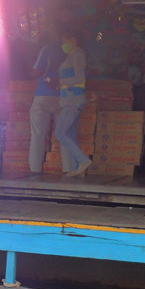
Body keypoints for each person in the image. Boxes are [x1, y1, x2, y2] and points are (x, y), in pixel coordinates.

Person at [52, 30, 91, 178]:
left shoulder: (78, 54)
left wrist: (60, 82)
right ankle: (77, 169)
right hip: (72, 100)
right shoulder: (73, 55)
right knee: (71, 134)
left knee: (60, 132)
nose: (63, 44)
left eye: (65, 40)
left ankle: (83, 160)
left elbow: (79, 77)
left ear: (73, 39)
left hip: (73, 101)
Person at [28, 31, 62, 174]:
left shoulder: (48, 49)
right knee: (64, 134)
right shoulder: (74, 52)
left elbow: (36, 72)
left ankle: (35, 170)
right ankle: (67, 169)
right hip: (63, 96)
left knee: (38, 134)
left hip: (44, 95)